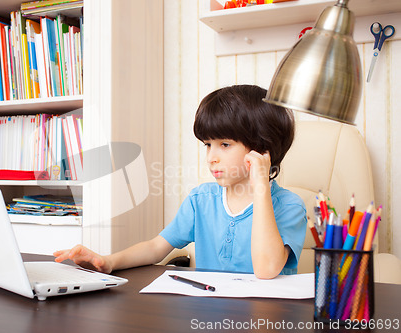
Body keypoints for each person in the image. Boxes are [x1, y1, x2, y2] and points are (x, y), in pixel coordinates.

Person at [54, 84, 307, 279]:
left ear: (262, 150)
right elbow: (156, 247)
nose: (212, 157)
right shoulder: (201, 200)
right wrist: (108, 261)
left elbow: (266, 269)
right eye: (208, 145)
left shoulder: (289, 206)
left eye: (225, 145)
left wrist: (260, 185)